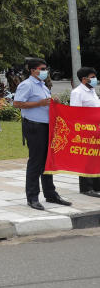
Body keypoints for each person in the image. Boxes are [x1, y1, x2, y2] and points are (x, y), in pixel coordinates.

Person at [14, 58, 72, 210]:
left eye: (46, 68)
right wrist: (39, 104)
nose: (45, 71)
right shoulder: (27, 85)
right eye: (42, 68)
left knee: (48, 161)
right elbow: (17, 103)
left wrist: (54, 101)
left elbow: (46, 103)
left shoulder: (43, 86)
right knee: (36, 162)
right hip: (34, 126)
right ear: (33, 70)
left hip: (47, 126)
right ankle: (32, 197)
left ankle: (50, 194)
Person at [69, 67, 100, 197]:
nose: (94, 80)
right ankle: (86, 188)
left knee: (96, 157)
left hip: (96, 130)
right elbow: (75, 114)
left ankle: (96, 185)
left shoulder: (92, 91)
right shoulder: (78, 93)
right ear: (84, 79)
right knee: (86, 159)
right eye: (92, 77)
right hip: (86, 131)